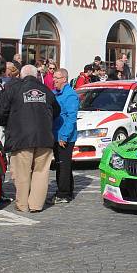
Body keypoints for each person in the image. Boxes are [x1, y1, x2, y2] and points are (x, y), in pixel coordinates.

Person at [0, 64, 60, 213]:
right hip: (44, 137)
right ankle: (36, 205)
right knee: (41, 172)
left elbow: (1, 112)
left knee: (21, 173)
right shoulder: (46, 91)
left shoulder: (13, 89)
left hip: (21, 138)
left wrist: (7, 123)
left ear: (21, 76)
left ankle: (23, 205)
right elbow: (57, 110)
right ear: (37, 75)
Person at [52, 68, 78, 204]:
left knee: (63, 165)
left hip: (65, 136)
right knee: (61, 164)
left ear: (64, 79)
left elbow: (71, 118)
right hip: (56, 134)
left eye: (57, 78)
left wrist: (64, 136)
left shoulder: (70, 95)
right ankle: (68, 190)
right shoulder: (55, 93)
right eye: (53, 77)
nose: (53, 80)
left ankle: (63, 193)